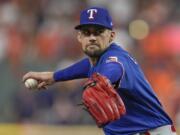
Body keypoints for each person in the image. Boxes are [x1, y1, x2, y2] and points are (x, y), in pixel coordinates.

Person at [22, 7, 177, 135]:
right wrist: (54, 76)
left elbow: (114, 68)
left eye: (98, 32)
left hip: (151, 132)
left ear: (111, 36)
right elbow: (85, 66)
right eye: (87, 33)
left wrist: (103, 79)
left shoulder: (116, 58)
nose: (92, 38)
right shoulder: (96, 60)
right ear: (79, 37)